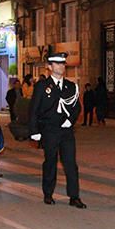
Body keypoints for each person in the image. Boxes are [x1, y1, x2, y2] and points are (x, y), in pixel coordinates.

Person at [29, 54, 85, 207]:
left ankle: (74, 196)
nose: (61, 67)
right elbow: (34, 109)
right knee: (50, 162)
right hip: (49, 130)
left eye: (62, 64)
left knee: (71, 164)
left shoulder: (70, 86)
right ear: (49, 67)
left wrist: (70, 120)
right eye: (57, 64)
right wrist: (34, 131)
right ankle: (48, 193)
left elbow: (76, 107)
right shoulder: (42, 86)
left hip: (66, 131)